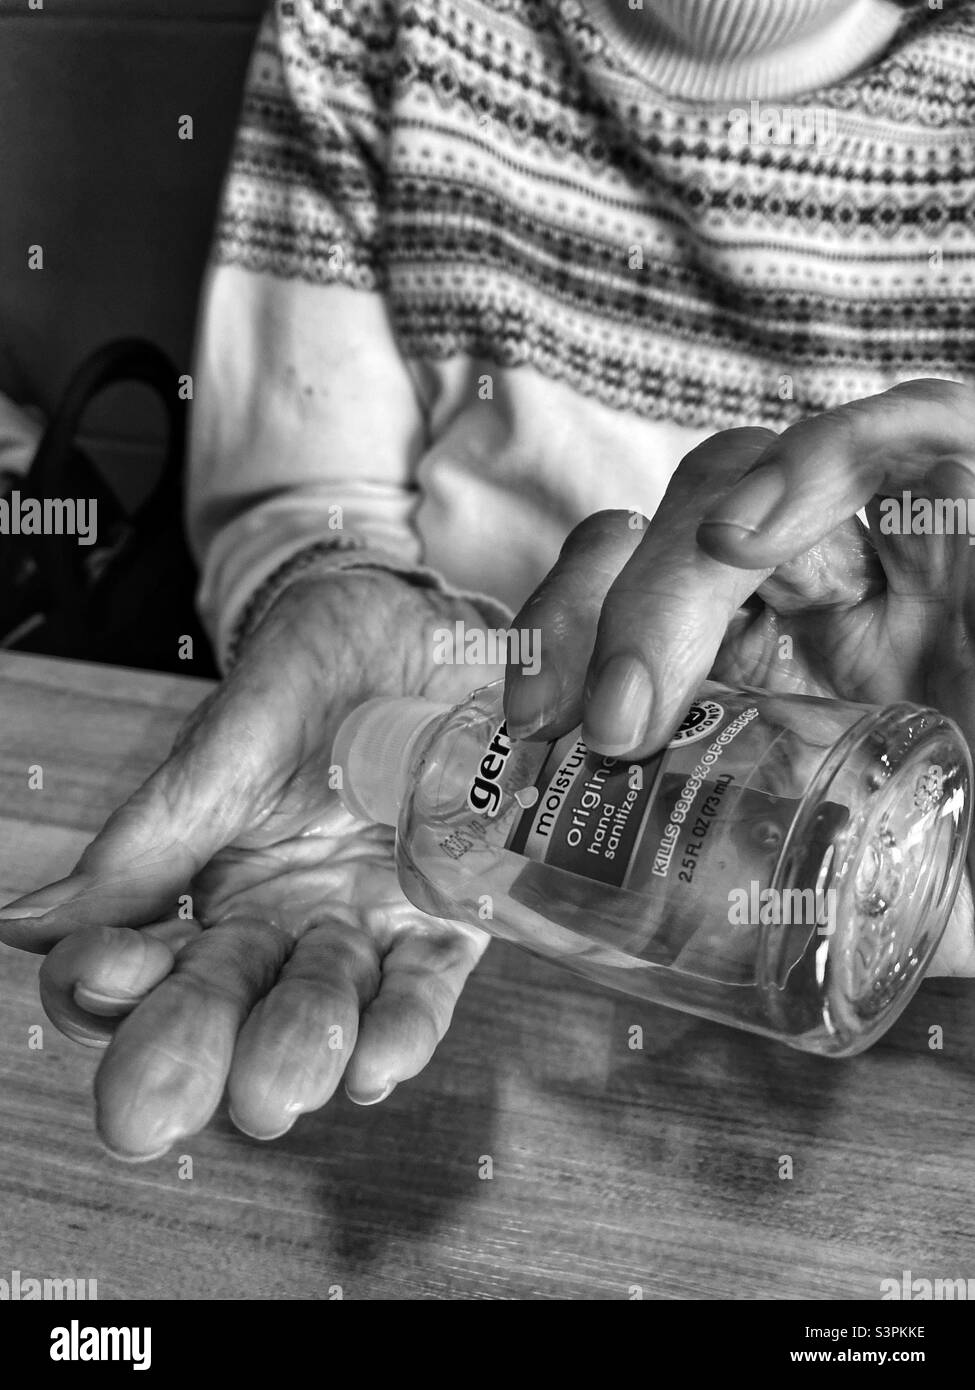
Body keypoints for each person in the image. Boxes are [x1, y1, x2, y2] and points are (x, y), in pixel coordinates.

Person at [2, 0, 975, 1159]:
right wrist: (339, 599)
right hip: (498, 986)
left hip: (816, 1063)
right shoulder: (370, 24)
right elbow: (301, 495)